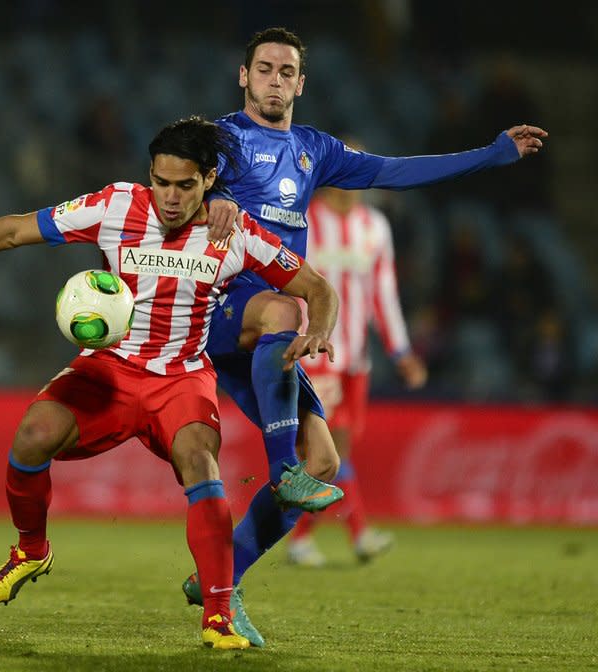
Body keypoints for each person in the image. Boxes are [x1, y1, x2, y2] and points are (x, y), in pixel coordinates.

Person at [0, 116, 340, 651]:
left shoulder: (233, 233)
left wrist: (319, 329)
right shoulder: (116, 206)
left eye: (184, 186)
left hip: (181, 377)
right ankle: (30, 549)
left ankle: (216, 614)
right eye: (161, 182)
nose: (169, 197)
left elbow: (316, 287)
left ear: (208, 180)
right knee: (31, 435)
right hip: (110, 368)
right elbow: (15, 230)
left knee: (200, 465)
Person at [181, 26, 548, 648]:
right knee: (284, 309)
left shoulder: (314, 150)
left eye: (286, 71)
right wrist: (205, 197)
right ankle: (282, 468)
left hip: (269, 334)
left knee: (327, 459)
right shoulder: (220, 141)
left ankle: (223, 578)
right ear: (243, 77)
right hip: (222, 307)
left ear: (301, 82)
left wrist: (492, 154)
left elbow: (396, 171)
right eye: (263, 69)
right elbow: (171, 180)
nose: (275, 80)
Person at [286, 174, 427, 568]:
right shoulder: (305, 221)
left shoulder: (375, 227)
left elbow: (383, 292)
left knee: (336, 450)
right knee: (327, 448)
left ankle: (302, 539)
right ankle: (358, 533)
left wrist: (400, 351)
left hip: (356, 360)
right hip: (317, 356)